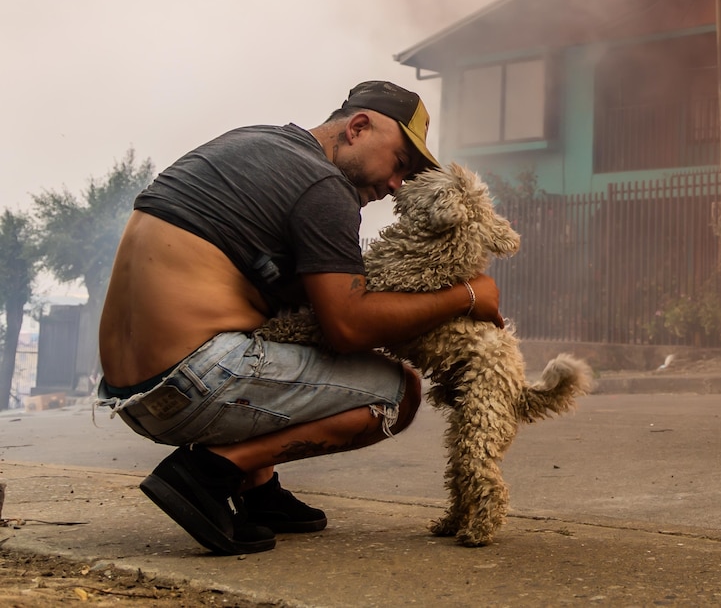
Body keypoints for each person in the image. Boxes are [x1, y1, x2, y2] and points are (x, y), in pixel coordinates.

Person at [96, 81, 505, 555]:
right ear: (358, 127)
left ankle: (258, 492)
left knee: (279, 319)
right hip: (194, 381)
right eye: (399, 163)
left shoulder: (253, 143)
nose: (397, 184)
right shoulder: (324, 186)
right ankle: (208, 474)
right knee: (399, 394)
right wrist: (468, 296)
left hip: (132, 396)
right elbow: (347, 327)